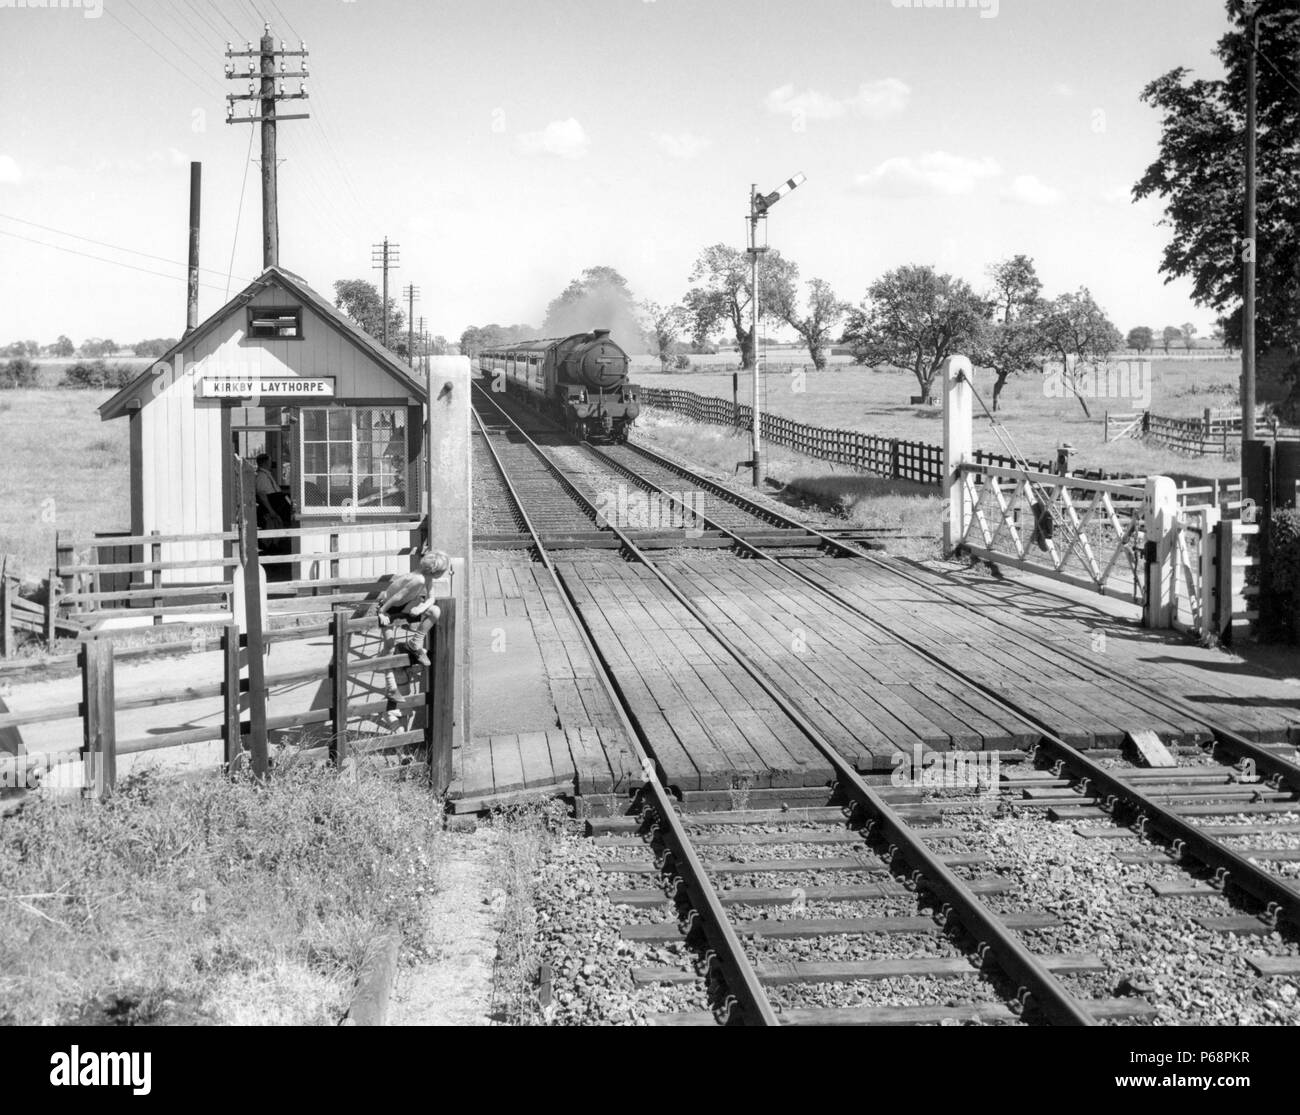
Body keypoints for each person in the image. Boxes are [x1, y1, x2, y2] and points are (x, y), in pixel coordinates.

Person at [368, 550, 450, 667]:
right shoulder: (418, 579)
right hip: (388, 607)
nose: (445, 572)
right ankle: (379, 667)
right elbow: (397, 596)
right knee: (390, 647)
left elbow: (431, 598)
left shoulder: (427, 578)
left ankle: (415, 642)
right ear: (436, 571)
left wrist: (421, 608)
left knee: (435, 611)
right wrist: (382, 612)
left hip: (405, 605)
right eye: (443, 570)